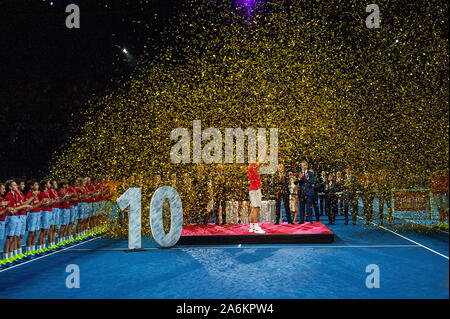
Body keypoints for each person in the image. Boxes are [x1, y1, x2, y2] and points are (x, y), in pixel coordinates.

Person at [247, 159, 266, 233]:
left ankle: (252, 226)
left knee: (253, 208)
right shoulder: (252, 167)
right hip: (255, 190)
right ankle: (256, 227)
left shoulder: (250, 168)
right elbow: (260, 161)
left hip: (253, 190)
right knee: (256, 208)